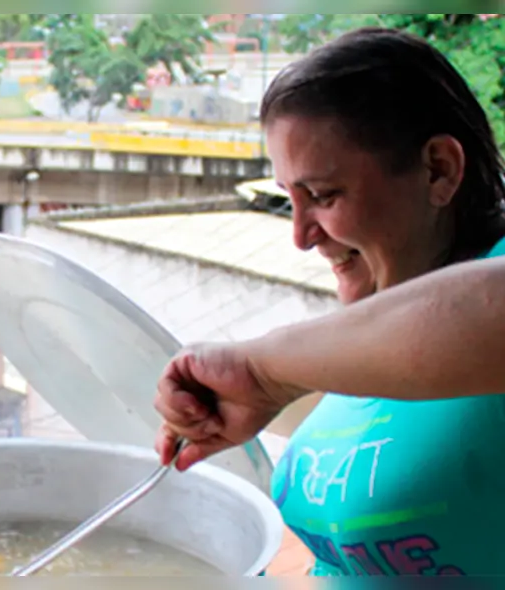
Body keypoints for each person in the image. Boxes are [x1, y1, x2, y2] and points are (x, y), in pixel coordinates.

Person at [155, 27, 505, 577]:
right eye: (288, 199)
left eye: (323, 196)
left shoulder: (484, 300)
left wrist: (263, 369)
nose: (301, 235)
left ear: (439, 169)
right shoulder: (359, 339)